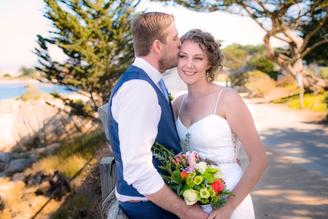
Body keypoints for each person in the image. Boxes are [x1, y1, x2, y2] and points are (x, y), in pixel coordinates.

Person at [107, 13, 208, 219]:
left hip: (156, 201)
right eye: (175, 38)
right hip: (149, 206)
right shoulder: (139, 90)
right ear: (157, 46)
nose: (180, 44)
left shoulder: (152, 81)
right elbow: (137, 169)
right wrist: (186, 211)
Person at [173, 29, 268, 219]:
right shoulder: (177, 104)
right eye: (183, 56)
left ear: (209, 63)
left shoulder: (228, 99)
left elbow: (260, 160)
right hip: (194, 203)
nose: (189, 64)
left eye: (198, 58)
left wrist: (229, 206)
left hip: (229, 196)